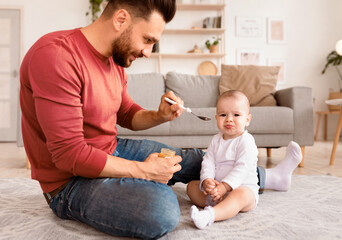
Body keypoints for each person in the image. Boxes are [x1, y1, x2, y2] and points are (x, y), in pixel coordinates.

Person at [19, 0, 302, 239]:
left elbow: (127, 114)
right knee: (161, 209)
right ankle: (147, 188)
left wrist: (159, 115)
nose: (147, 52)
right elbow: (69, 154)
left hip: (109, 150)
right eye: (147, 39)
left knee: (196, 160)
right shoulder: (56, 56)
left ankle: (271, 178)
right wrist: (143, 171)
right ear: (121, 19)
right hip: (69, 182)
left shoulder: (113, 62)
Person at [187, 90, 258, 229]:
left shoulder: (246, 141)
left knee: (241, 194)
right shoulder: (216, 139)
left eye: (236, 115)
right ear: (216, 118)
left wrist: (225, 187)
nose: (229, 119)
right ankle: (222, 205)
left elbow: (242, 168)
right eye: (223, 115)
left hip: (242, 189)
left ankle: (209, 215)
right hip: (218, 189)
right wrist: (207, 181)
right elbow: (208, 161)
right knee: (191, 187)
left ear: (247, 120)